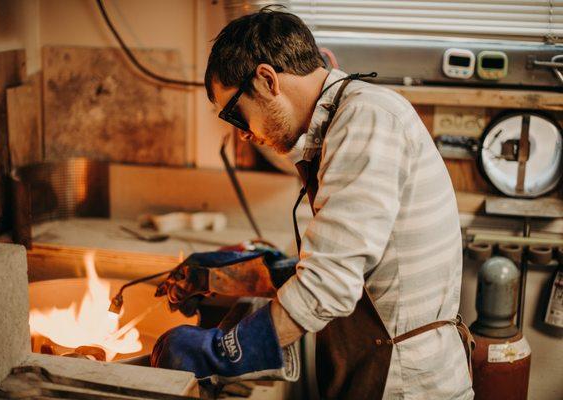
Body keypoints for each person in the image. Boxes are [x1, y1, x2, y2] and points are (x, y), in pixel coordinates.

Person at [151, 7, 474, 400]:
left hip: (406, 383)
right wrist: (236, 275)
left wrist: (224, 352)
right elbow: (353, 266)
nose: (243, 136)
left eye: (235, 115)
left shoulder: (365, 119)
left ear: (267, 80)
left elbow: (330, 287)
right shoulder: (346, 120)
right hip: (382, 371)